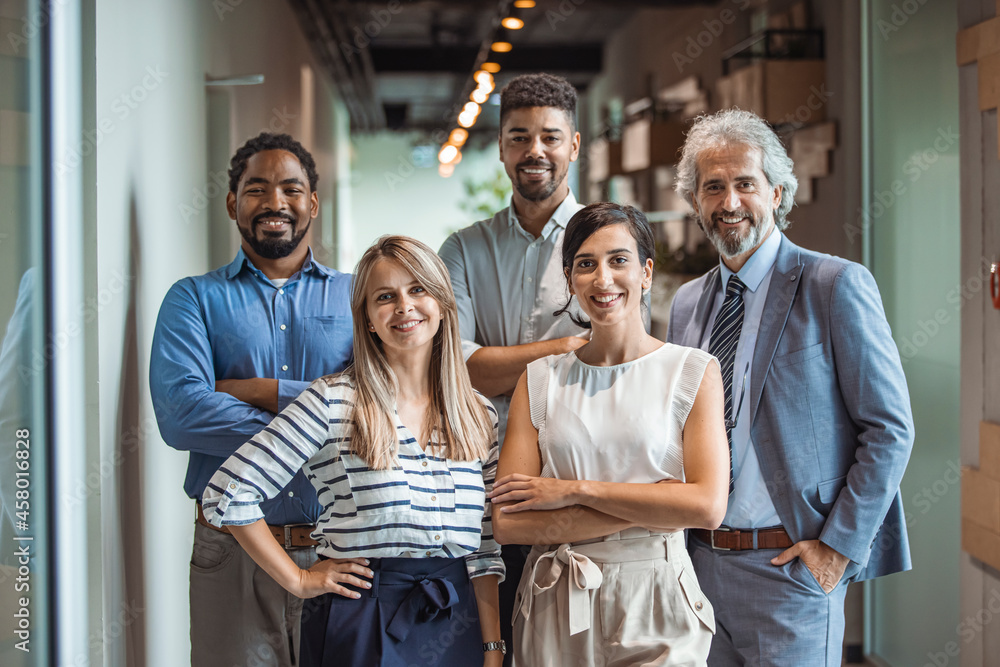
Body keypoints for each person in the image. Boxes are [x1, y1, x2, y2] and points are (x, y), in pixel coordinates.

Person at [668, 109, 914, 666]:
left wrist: (835, 550)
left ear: (777, 193)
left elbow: (890, 429)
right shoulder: (686, 304)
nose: (729, 202)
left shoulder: (834, 285)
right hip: (698, 570)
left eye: (745, 184)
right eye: (713, 187)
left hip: (792, 571)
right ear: (695, 201)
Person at [201, 235, 505, 667]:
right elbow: (227, 495)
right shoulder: (332, 400)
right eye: (386, 296)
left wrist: (492, 647)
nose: (404, 306)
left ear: (442, 303)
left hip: (456, 618)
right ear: (366, 319)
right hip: (361, 615)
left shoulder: (477, 413)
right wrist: (300, 579)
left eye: (417, 289)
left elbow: (485, 546)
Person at [490, 202, 729, 666]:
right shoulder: (538, 379)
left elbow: (706, 507)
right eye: (586, 264)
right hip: (555, 599)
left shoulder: (693, 371)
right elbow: (510, 524)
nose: (603, 279)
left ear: (646, 272)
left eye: (618, 260)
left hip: (656, 597)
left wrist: (573, 491)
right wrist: (656, 506)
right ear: (570, 278)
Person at [149, 133, 353, 667]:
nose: (274, 202)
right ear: (232, 203)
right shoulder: (192, 299)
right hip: (231, 552)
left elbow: (383, 405)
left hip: (344, 546)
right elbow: (181, 414)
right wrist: (324, 415)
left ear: (313, 202)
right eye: (256, 188)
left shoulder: (359, 297)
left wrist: (257, 392)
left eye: (291, 188)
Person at [438, 72, 588, 662]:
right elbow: (460, 368)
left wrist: (501, 363)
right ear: (501, 146)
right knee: (486, 649)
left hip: (571, 484)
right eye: (520, 137)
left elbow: (611, 363)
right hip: (476, 492)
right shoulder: (462, 249)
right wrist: (563, 350)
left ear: (574, 145)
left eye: (551, 136)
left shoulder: (607, 241)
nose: (535, 151)